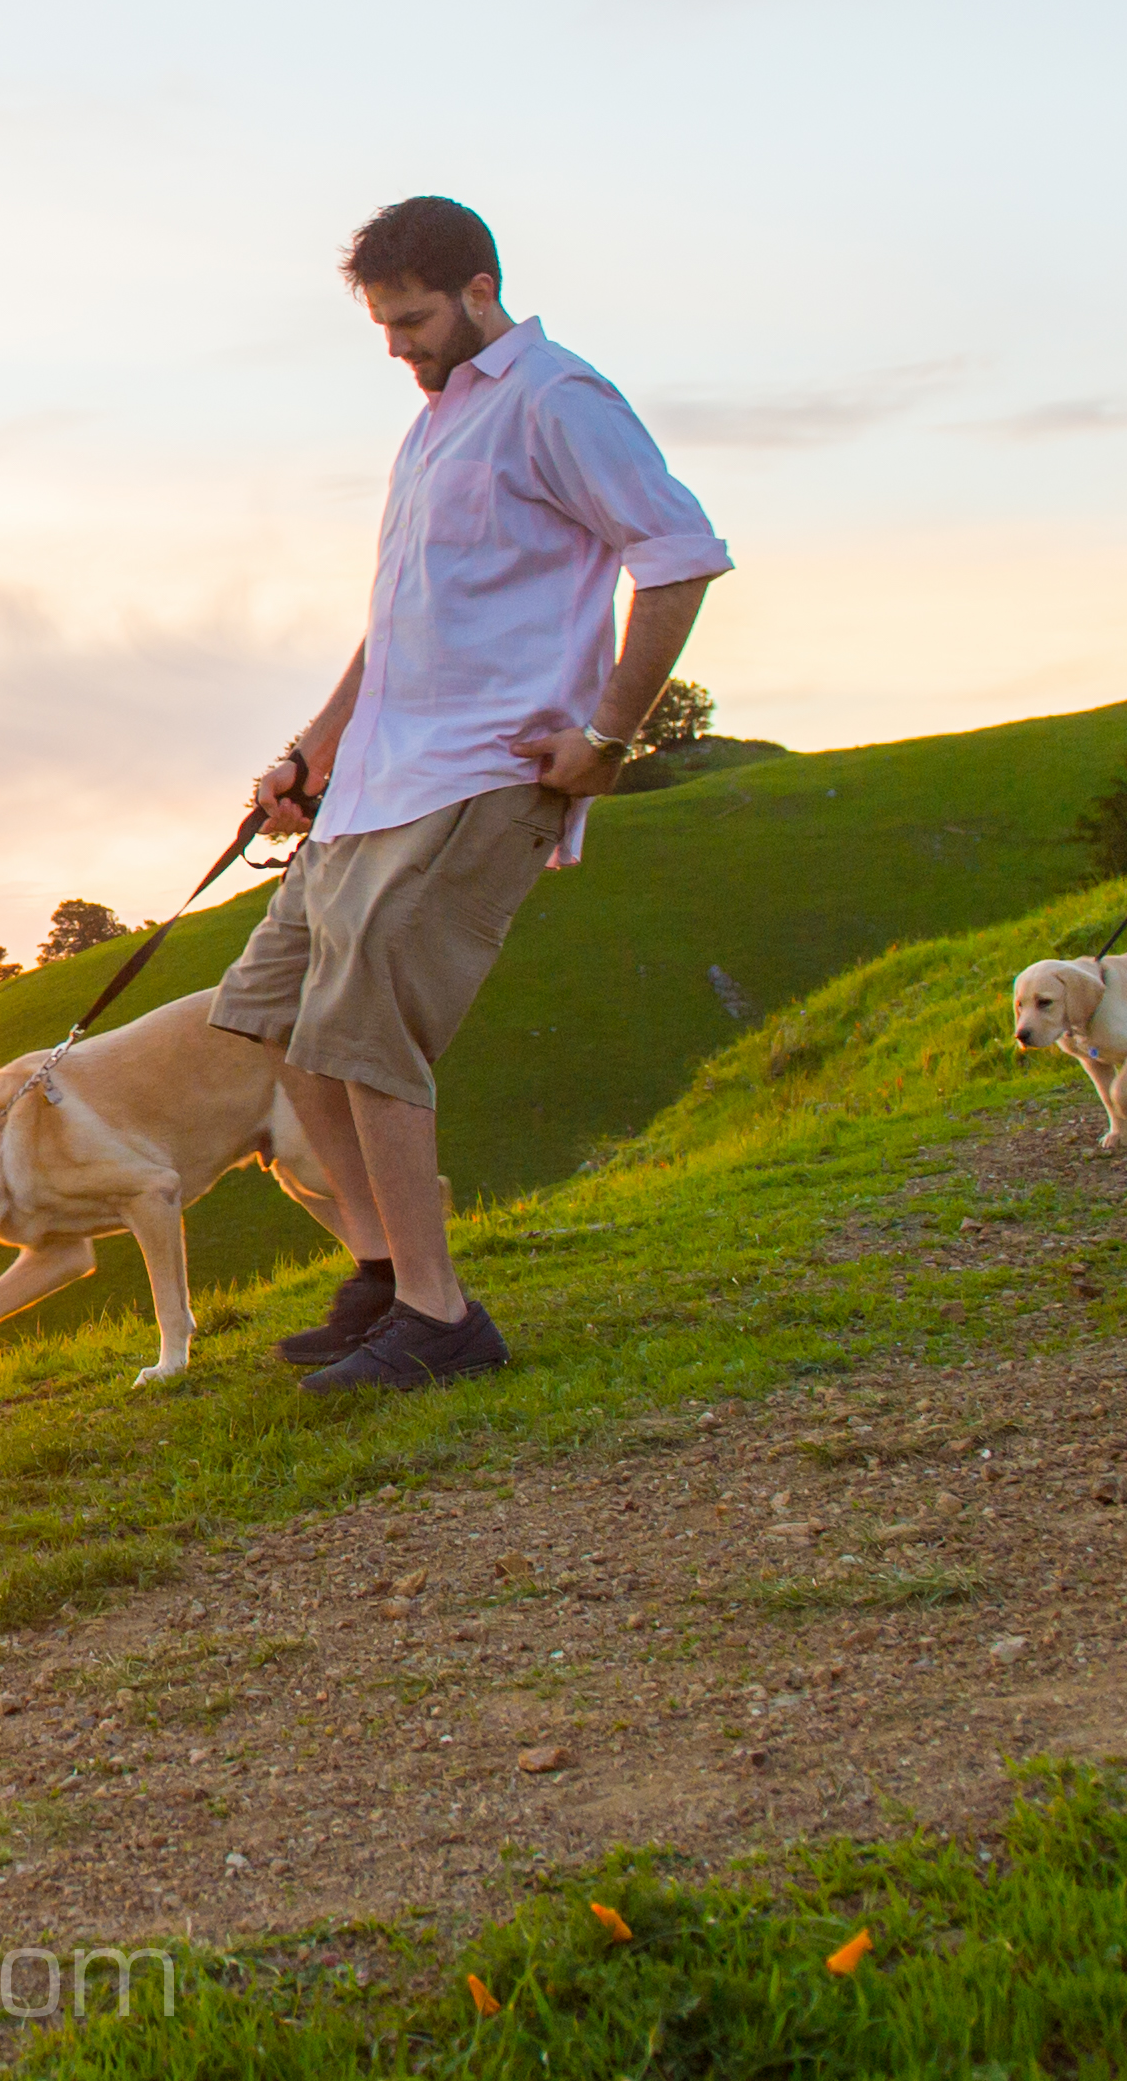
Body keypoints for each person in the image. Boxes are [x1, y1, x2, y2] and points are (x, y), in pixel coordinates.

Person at [213, 196, 728, 1391]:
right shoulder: (436, 424)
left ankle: (443, 1324)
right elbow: (398, 621)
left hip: (481, 773)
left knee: (369, 1032)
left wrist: (608, 735)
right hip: (376, 783)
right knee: (279, 1019)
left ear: (479, 290)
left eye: (411, 321)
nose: (396, 347)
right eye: (383, 326)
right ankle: (389, 1274)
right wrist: (313, 751)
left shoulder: (557, 401)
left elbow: (681, 553)